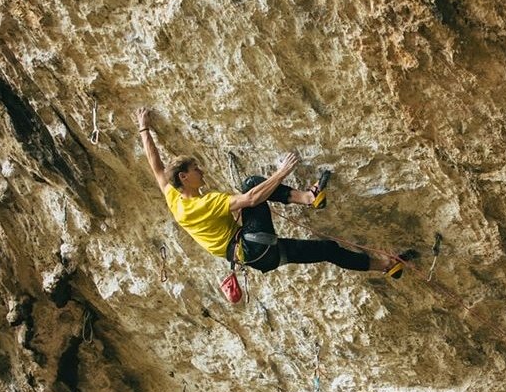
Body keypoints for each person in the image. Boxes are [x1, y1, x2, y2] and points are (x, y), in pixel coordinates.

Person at [135, 107, 411, 277]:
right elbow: (253, 198)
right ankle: (307, 197)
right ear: (184, 177)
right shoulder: (206, 203)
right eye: (196, 170)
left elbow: (156, 166)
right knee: (251, 184)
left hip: (261, 258)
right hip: (255, 244)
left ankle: (386, 266)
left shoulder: (174, 197)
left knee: (328, 249)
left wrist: (144, 128)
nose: (202, 171)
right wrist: (281, 172)